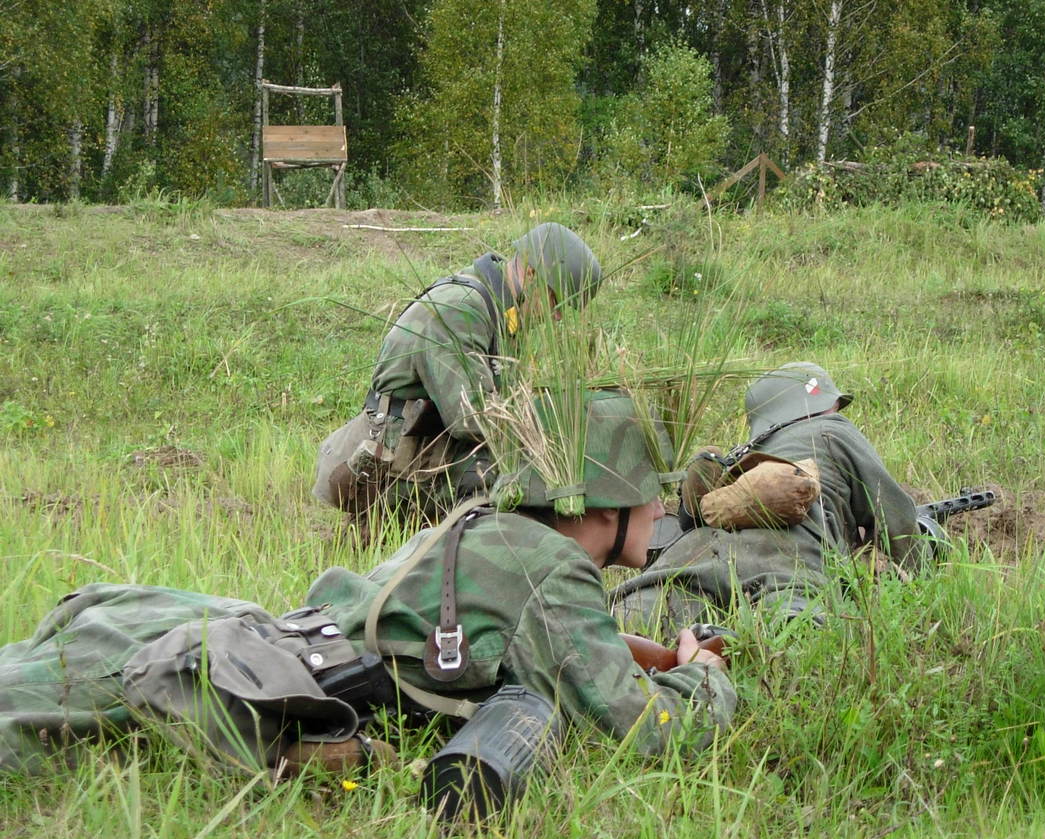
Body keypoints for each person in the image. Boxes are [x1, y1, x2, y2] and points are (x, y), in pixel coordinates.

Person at [0, 391, 733, 776]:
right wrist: (701, 675)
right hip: (273, 684)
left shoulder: (488, 525)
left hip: (285, 641)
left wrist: (628, 648)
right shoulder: (552, 570)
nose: (660, 510)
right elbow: (649, 734)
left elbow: (526, 644)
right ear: (604, 501)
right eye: (650, 494)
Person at [312, 222, 603, 535]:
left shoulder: (499, 311)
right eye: (557, 302)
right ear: (531, 275)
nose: (558, 317)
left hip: (428, 451)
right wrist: (547, 430)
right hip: (393, 466)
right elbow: (471, 418)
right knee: (518, 474)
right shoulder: (460, 309)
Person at [613, 362, 926, 632]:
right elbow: (895, 516)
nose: (836, 411)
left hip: (697, 552)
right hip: (785, 561)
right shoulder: (833, 430)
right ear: (818, 407)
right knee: (793, 640)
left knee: (634, 621)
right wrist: (919, 577)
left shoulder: (741, 456)